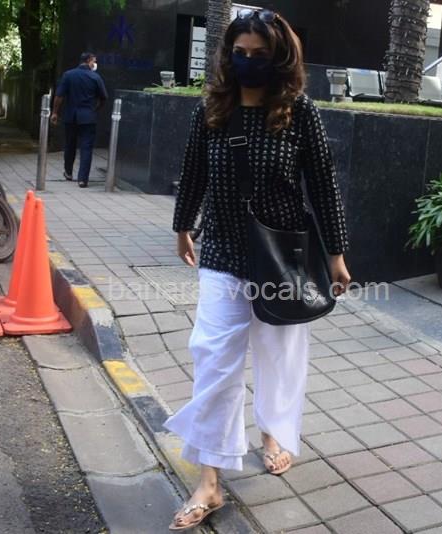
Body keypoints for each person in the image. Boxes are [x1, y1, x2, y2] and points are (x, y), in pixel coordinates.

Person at [165, 8, 350, 531]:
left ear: (280, 58)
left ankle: (273, 433)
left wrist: (336, 254)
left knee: (279, 354)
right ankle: (209, 480)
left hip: (283, 257)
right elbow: (193, 171)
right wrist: (183, 226)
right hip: (223, 252)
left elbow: (323, 183)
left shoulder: (298, 111)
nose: (247, 62)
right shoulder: (213, 108)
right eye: (239, 53)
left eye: (259, 55)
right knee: (213, 360)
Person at [50, 52, 107, 188]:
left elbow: (59, 96)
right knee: (86, 148)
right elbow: (104, 97)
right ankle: (82, 179)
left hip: (71, 116)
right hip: (88, 117)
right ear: (88, 61)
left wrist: (55, 112)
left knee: (70, 145)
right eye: (94, 61)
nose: (95, 64)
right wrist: (95, 110)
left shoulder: (68, 75)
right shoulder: (95, 77)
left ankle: (68, 172)